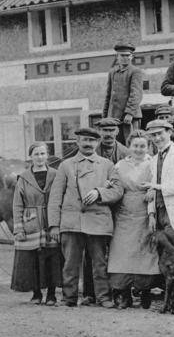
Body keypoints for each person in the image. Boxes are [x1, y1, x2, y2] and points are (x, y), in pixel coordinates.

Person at [47, 128, 124, 308]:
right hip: (72, 221)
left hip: (98, 221)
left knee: (100, 263)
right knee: (70, 264)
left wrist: (99, 192)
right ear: (77, 143)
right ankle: (69, 298)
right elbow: (55, 196)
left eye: (92, 140)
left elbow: (118, 190)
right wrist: (53, 225)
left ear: (97, 143)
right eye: (84, 140)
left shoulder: (107, 165)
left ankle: (104, 297)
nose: (88, 143)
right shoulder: (66, 165)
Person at [75, 117, 130, 306]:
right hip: (95, 209)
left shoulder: (126, 153)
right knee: (92, 253)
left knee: (118, 251)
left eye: (112, 129)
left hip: (120, 209)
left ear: (117, 131)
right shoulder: (90, 151)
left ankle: (119, 292)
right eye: (104, 130)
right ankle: (90, 293)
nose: (108, 133)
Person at [107, 130, 159, 310]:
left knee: (144, 252)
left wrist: (154, 190)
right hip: (123, 213)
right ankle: (125, 295)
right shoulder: (120, 165)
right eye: (135, 145)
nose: (139, 149)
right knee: (122, 252)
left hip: (145, 212)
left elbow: (160, 183)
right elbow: (113, 184)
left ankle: (145, 293)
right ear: (129, 147)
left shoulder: (153, 163)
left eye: (142, 146)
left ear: (148, 146)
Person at [11, 142, 63, 305]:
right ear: (30, 156)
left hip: (51, 219)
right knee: (33, 258)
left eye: (43, 154)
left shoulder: (56, 174)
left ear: (47, 155)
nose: (40, 157)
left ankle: (52, 295)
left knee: (52, 257)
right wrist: (18, 228)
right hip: (31, 221)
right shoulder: (23, 177)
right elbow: (18, 204)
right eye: (36, 154)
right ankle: (36, 294)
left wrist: (59, 223)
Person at [141, 119, 174, 253]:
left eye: (160, 133)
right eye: (153, 135)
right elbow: (151, 187)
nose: (157, 138)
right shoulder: (153, 160)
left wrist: (159, 187)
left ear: (170, 132)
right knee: (162, 256)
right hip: (159, 214)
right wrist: (152, 214)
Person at [103, 42, 143, 145]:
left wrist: (129, 113)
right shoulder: (112, 72)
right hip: (113, 117)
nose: (125, 58)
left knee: (131, 144)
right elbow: (109, 95)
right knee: (115, 145)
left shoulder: (135, 71)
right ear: (117, 56)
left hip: (129, 117)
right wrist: (105, 116)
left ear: (132, 56)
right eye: (122, 55)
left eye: (127, 55)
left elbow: (136, 94)